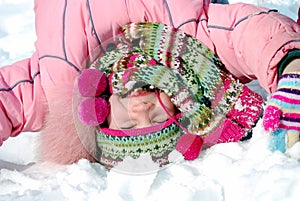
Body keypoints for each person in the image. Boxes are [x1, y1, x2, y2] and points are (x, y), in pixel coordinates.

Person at [0, 0, 299, 168]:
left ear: (100, 112)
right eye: (158, 116)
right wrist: (292, 70)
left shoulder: (60, 77)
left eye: (129, 126)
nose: (142, 108)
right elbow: (246, 33)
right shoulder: (192, 41)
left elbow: (8, 99)